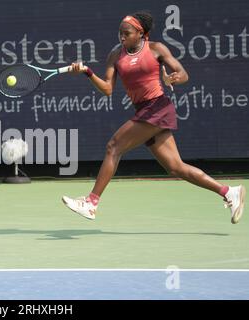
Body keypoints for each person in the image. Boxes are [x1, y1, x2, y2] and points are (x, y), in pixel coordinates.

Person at [62, 11, 245, 224]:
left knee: (114, 147)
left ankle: (91, 202)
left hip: (157, 107)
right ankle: (228, 191)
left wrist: (176, 78)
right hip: (143, 110)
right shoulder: (116, 54)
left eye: (127, 33)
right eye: (120, 33)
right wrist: (87, 72)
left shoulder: (156, 49)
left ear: (141, 33)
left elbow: (183, 73)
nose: (122, 37)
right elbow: (107, 89)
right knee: (176, 167)